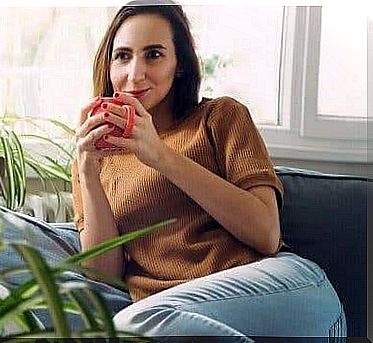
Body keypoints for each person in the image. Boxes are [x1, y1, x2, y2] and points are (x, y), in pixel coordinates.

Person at [71, 0, 347, 340]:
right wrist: (86, 168)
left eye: (154, 55)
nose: (135, 73)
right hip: (174, 319)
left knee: (133, 327)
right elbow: (103, 276)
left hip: (282, 288)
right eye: (123, 56)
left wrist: (159, 154)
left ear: (180, 64)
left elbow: (266, 234)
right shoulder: (94, 159)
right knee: (128, 328)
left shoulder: (221, 117)